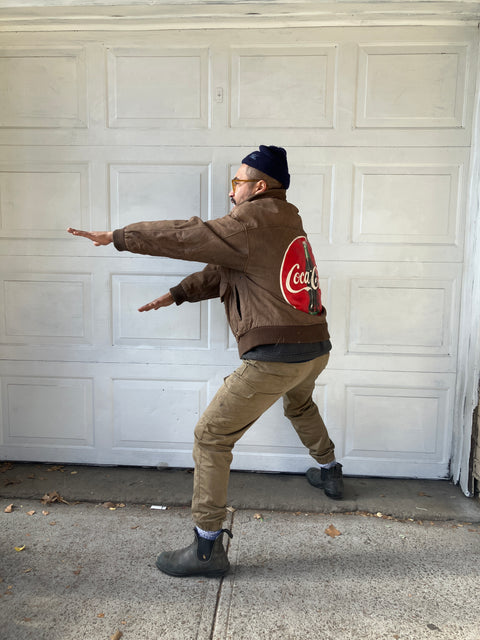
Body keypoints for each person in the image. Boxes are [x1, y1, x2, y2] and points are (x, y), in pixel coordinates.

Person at [67, 145, 343, 578]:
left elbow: (186, 236)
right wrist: (178, 294)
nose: (231, 191)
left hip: (276, 356)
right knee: (301, 405)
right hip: (315, 349)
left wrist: (119, 237)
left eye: (237, 182)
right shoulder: (287, 220)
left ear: (259, 187)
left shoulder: (249, 220)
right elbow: (225, 271)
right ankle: (329, 470)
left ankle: (206, 549)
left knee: (211, 437)